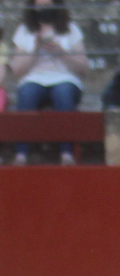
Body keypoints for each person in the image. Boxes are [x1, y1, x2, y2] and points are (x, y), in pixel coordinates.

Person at [8, 0, 87, 166]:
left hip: (65, 78)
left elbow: (83, 67)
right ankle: (21, 154)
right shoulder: (24, 31)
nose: (44, 9)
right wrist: (35, 49)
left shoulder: (70, 29)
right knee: (27, 94)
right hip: (34, 79)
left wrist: (61, 52)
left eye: (48, 5)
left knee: (63, 94)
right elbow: (17, 70)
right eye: (40, 6)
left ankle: (67, 153)